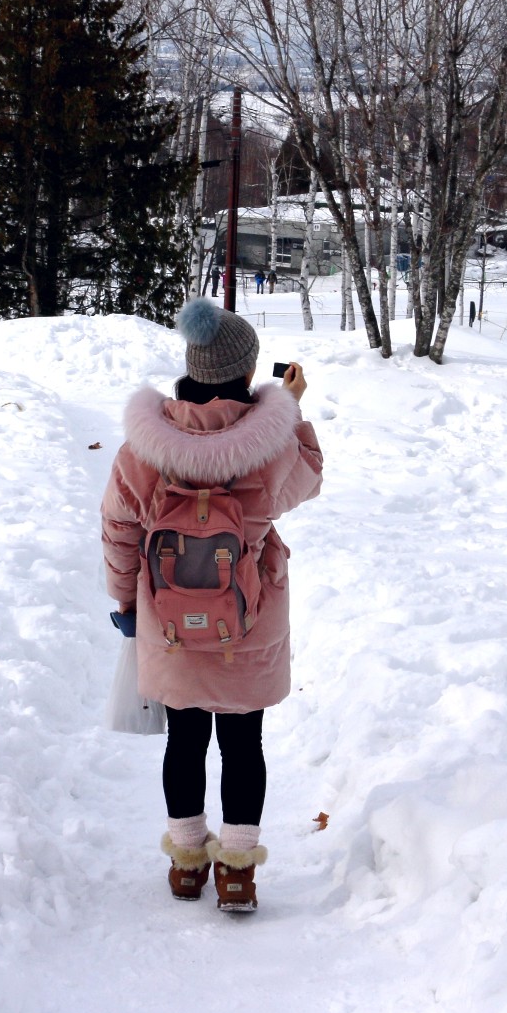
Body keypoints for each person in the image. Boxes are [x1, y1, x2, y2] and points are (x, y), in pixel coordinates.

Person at [100, 298, 324, 914]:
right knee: (243, 744)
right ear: (246, 371)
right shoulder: (270, 446)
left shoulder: (142, 448)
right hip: (245, 624)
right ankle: (237, 876)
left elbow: (119, 531)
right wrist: (291, 411)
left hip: (168, 626)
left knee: (185, 742)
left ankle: (186, 861)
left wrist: (126, 600)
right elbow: (310, 477)